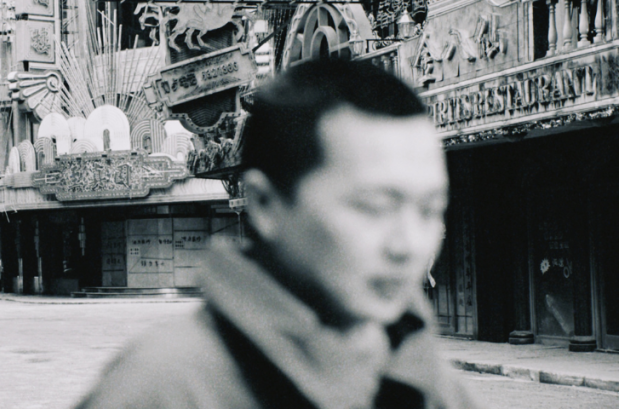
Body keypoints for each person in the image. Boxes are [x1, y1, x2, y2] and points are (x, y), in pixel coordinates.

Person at [74, 59, 479, 409]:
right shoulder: (163, 387)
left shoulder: (430, 383)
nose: (407, 245)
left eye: (430, 210)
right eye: (373, 207)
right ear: (266, 204)